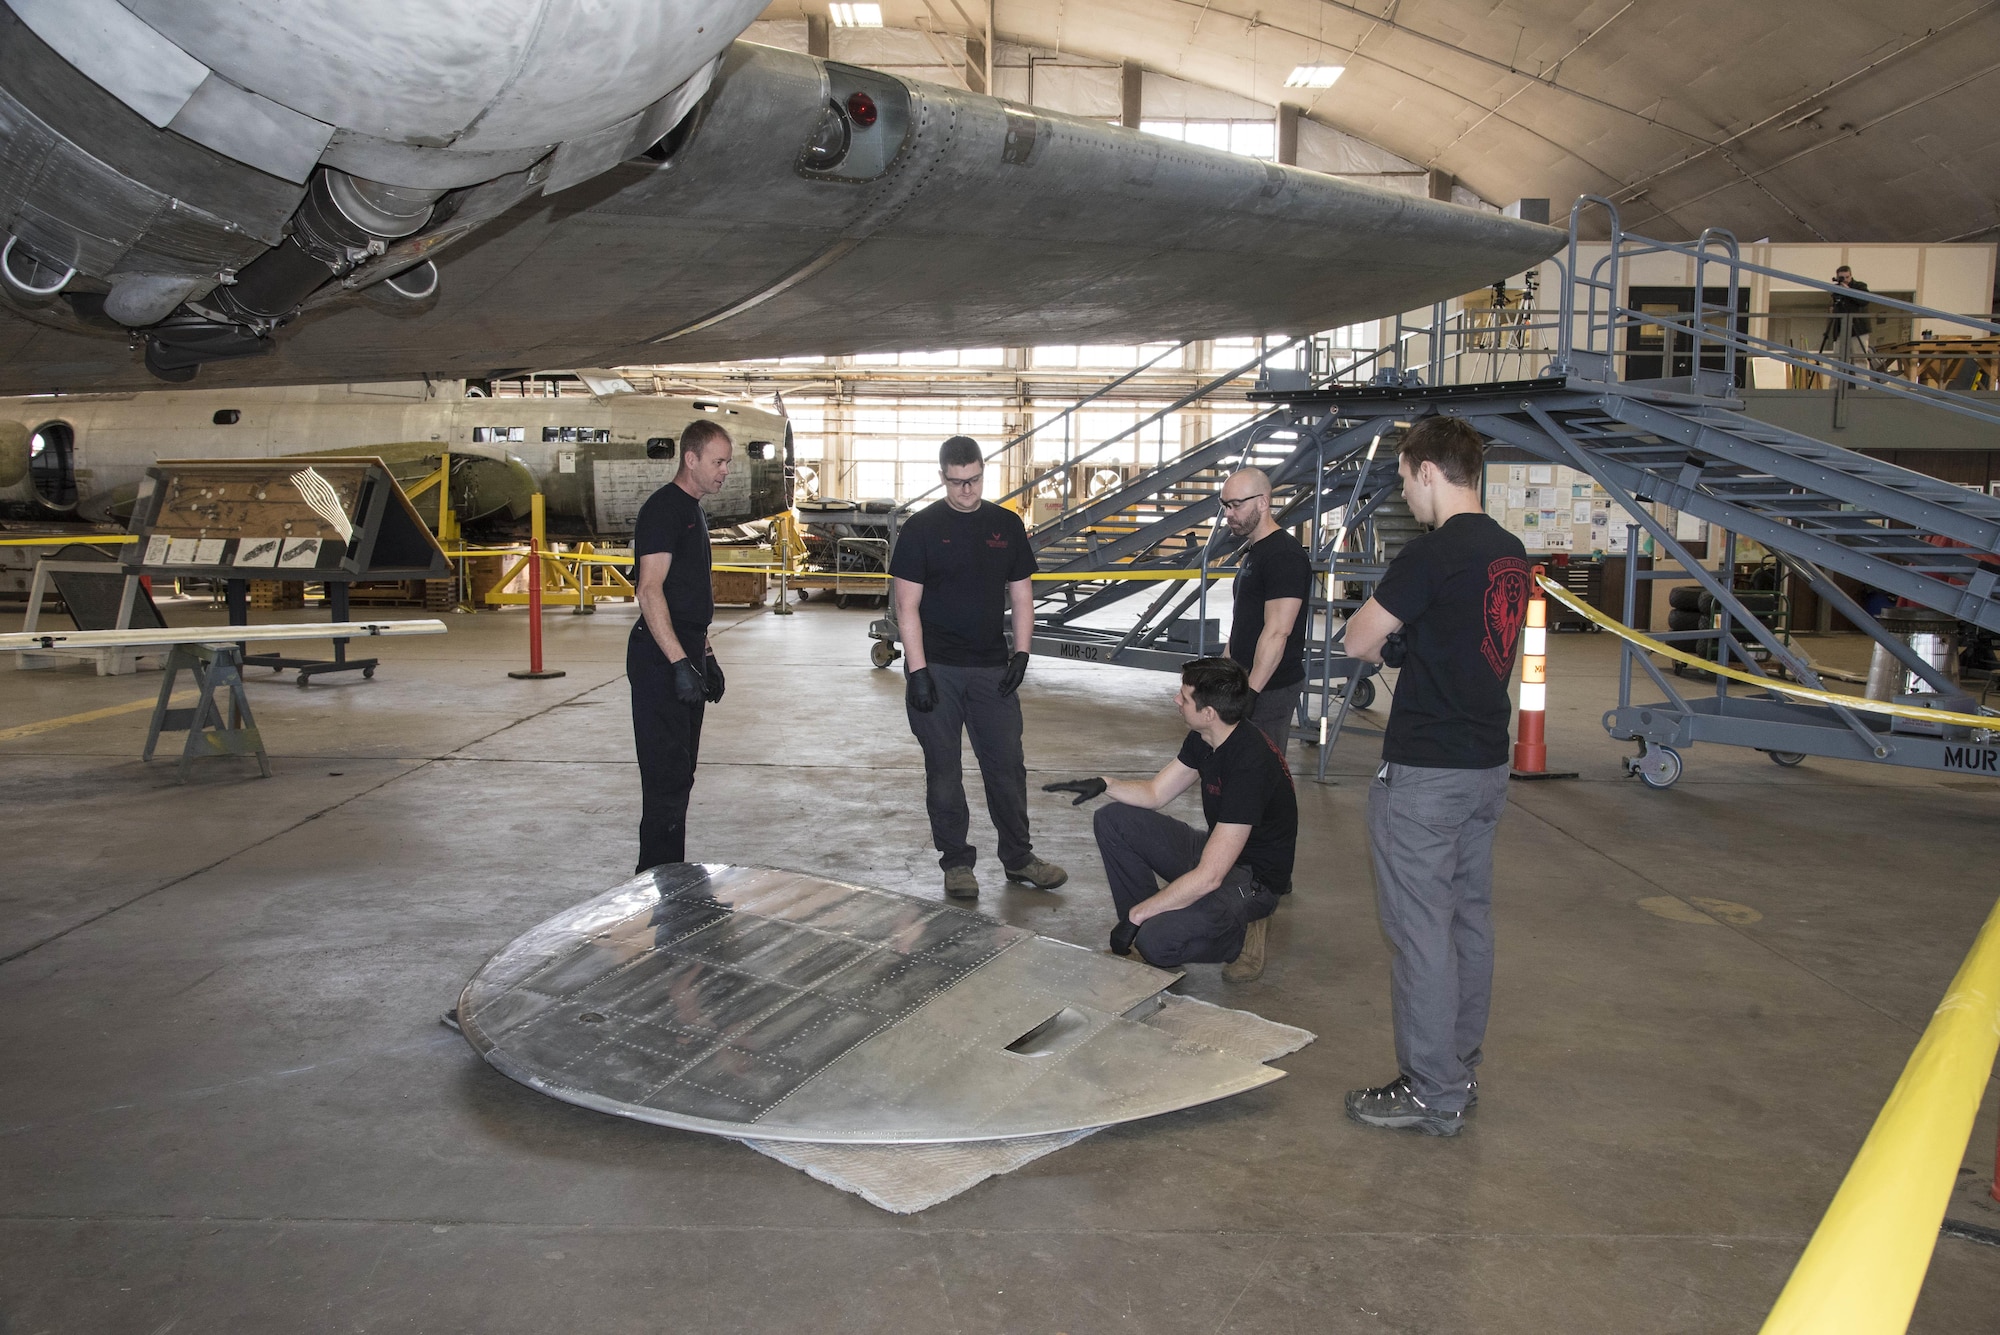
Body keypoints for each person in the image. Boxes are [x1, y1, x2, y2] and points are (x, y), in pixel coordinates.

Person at [1340, 415, 1529, 1137]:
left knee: (1421, 933)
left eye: (1403, 479)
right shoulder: (1508, 551)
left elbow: (1359, 638)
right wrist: (1415, 642)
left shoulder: (1432, 553)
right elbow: (1468, 639)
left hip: (1425, 773)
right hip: (1485, 763)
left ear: (1426, 471)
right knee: (1467, 923)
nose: (1405, 494)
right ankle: (1459, 1066)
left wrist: (1390, 633)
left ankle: (1431, 1089)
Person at [890, 435, 1067, 899]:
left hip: (992, 668)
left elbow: (1022, 594)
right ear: (942, 475)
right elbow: (906, 606)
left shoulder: (1005, 524)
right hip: (939, 671)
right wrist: (918, 670)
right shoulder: (922, 529)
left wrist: (1022, 653)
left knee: (1008, 767)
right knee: (944, 770)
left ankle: (1019, 858)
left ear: (983, 472)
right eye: (956, 482)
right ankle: (956, 864)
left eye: (974, 481)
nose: (966, 491)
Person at [1043, 656, 1294, 982]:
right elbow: (1155, 793)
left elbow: (1209, 877)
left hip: (1252, 879)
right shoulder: (1207, 737)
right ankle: (1137, 939)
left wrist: (1137, 917)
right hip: (1218, 850)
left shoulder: (1249, 764)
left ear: (1208, 712)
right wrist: (1105, 784)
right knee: (1114, 820)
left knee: (1156, 942)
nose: (1176, 700)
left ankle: (1241, 937)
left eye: (1184, 697)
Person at [628, 419, 733, 872]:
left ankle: (669, 875)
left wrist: (705, 656)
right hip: (658, 656)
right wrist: (678, 662)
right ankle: (653, 878)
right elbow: (649, 591)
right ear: (690, 459)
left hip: (685, 648)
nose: (724, 471)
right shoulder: (664, 509)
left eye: (727, 462)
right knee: (665, 776)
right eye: (718, 461)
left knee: (681, 774)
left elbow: (686, 598)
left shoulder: (694, 510)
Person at [1219, 467, 1312, 766]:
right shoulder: (1256, 551)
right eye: (1225, 506)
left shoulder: (1284, 556)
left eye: (1236, 505)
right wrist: (1221, 674)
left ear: (1263, 502)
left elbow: (1278, 632)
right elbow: (1243, 624)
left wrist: (1251, 694)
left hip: (1269, 688)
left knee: (1260, 775)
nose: (1229, 515)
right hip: (1245, 681)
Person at [1820, 265, 1875, 367]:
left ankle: (1861, 383)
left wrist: (1848, 291)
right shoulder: (1836, 289)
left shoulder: (1860, 286)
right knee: (1838, 360)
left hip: (1858, 329)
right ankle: (1836, 383)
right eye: (1842, 278)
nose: (1845, 280)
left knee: (1860, 360)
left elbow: (1864, 300)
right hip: (1841, 329)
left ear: (1851, 276)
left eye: (1847, 277)